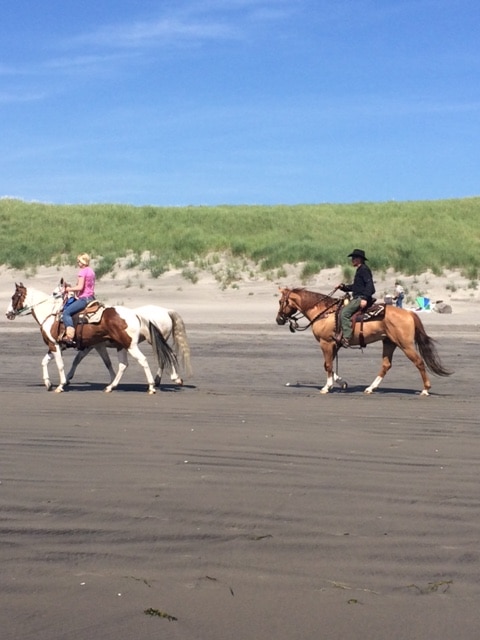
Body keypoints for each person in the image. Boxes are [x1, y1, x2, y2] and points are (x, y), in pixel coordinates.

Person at [337, 249, 375, 348]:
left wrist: (364, 298)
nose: (352, 260)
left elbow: (370, 285)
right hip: (358, 296)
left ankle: (347, 337)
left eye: (354, 258)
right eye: (352, 258)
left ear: (359, 259)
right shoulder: (360, 270)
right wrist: (344, 287)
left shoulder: (364, 269)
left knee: (344, 313)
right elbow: (357, 287)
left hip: (360, 298)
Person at [62, 253, 96, 347]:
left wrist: (68, 289)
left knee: (66, 312)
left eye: (79, 261)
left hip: (84, 299)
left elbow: (80, 287)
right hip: (92, 298)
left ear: (83, 261)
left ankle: (69, 336)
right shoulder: (91, 271)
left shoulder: (82, 272)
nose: (78, 263)